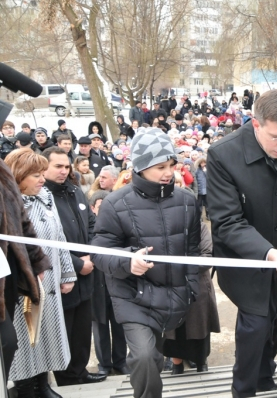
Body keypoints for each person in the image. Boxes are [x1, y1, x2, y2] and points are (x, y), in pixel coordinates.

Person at [207, 89, 277, 397]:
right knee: (254, 324)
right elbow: (227, 222)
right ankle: (243, 389)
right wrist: (270, 254)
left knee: (276, 315)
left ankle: (266, 379)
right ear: (256, 125)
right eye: (276, 138)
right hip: (248, 257)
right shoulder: (223, 154)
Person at [91, 128, 201, 398]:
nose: (168, 172)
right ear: (140, 167)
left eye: (171, 165)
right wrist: (129, 261)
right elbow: (99, 251)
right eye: (160, 166)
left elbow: (193, 250)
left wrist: (192, 286)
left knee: (154, 358)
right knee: (142, 357)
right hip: (132, 296)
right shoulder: (115, 204)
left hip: (174, 294)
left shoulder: (187, 201)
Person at [4, 149, 77, 398]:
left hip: (50, 282)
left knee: (47, 336)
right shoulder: (9, 205)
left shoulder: (46, 196)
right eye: (35, 175)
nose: (42, 179)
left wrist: (67, 273)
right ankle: (24, 389)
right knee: (25, 340)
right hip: (24, 284)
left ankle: (42, 385)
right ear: (19, 175)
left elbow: (60, 237)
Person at [41, 147, 107, 387]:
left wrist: (90, 256)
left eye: (66, 166)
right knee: (63, 330)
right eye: (57, 166)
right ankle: (66, 377)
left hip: (86, 272)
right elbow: (50, 241)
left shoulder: (76, 191)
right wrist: (78, 263)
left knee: (81, 329)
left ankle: (79, 372)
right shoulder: (41, 197)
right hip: (62, 276)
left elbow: (92, 224)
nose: (63, 171)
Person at [163, 220, 220, 374]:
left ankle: (201, 362)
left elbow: (207, 255)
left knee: (199, 325)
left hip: (198, 283)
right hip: (170, 284)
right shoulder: (164, 223)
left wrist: (183, 267)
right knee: (173, 328)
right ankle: (176, 364)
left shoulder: (199, 226)